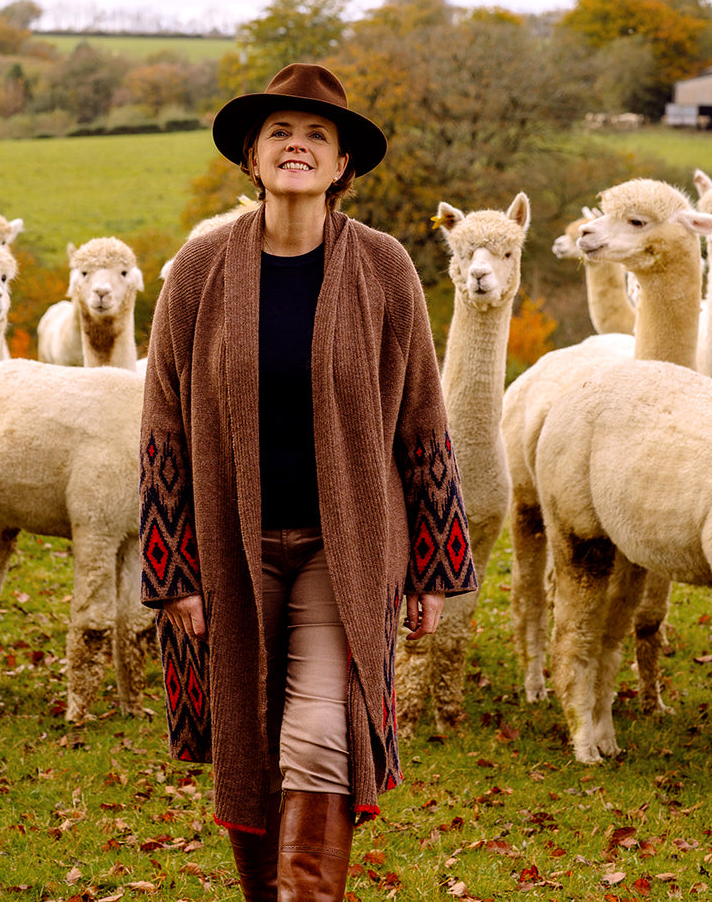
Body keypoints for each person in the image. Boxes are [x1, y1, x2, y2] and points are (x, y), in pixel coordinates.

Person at [140, 63, 476, 901]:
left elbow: (423, 419)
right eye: (280, 133)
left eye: (318, 136)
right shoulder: (198, 271)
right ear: (252, 158)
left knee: (320, 735)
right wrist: (171, 568)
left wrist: (434, 565)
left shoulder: (385, 269)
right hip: (229, 546)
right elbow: (162, 430)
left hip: (347, 547)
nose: (298, 146)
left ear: (341, 168)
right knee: (250, 741)